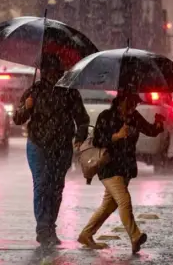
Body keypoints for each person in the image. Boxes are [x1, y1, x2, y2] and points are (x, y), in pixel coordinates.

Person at [13, 54, 90, 246]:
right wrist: (26, 107)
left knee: (56, 188)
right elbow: (18, 119)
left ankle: (50, 226)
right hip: (37, 145)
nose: (50, 75)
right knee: (42, 184)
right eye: (46, 71)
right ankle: (42, 228)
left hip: (62, 147)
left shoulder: (70, 92)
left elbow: (82, 119)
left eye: (54, 71)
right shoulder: (34, 91)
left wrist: (79, 138)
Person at [77, 91, 164, 254]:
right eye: (130, 103)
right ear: (120, 102)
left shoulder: (134, 117)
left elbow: (149, 130)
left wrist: (158, 125)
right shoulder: (106, 116)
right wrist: (116, 136)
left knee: (108, 206)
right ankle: (135, 236)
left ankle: (86, 234)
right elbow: (97, 141)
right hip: (109, 167)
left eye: (135, 104)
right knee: (124, 200)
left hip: (125, 167)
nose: (133, 107)